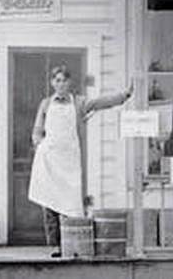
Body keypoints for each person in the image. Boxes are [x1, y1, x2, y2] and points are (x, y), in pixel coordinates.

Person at [29, 65, 132, 257]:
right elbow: (37, 130)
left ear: (70, 83)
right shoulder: (45, 104)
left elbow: (100, 102)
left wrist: (123, 96)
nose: (60, 84)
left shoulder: (78, 102)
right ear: (53, 83)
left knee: (69, 202)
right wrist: (39, 146)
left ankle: (71, 243)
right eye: (57, 80)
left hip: (68, 160)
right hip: (49, 159)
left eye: (64, 80)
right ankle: (56, 246)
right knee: (50, 203)